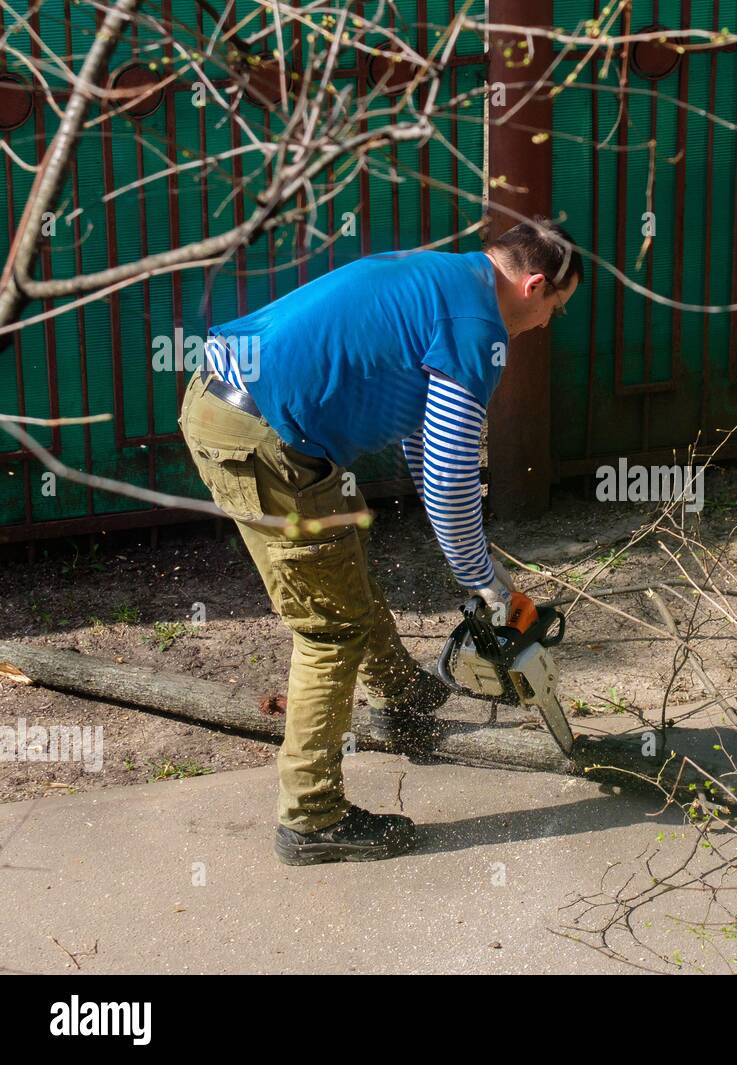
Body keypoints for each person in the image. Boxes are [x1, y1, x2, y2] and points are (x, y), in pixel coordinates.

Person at [178, 219, 581, 866]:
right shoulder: (479, 330)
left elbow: (428, 441)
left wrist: (472, 563)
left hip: (253, 411)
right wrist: (486, 583)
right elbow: (451, 483)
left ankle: (403, 697)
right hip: (262, 436)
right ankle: (311, 817)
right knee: (328, 628)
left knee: (344, 570)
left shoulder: (446, 279)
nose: (545, 325)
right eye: (554, 310)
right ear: (534, 285)